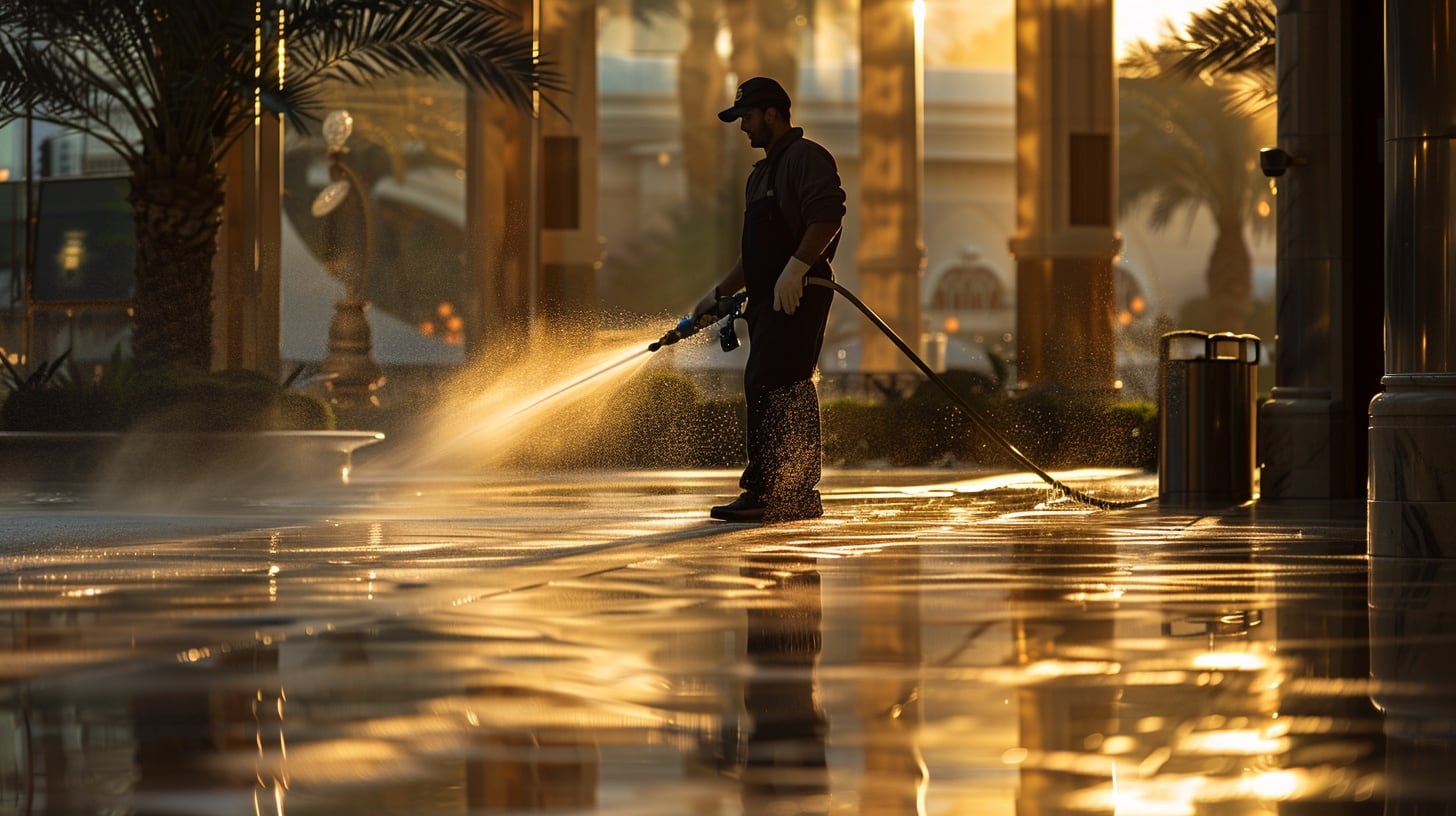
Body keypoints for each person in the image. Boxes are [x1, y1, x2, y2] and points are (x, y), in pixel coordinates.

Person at [695, 76, 846, 523]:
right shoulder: (760, 174)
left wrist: (797, 268)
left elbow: (828, 216)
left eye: (747, 117)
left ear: (773, 114)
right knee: (765, 385)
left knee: (782, 383)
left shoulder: (805, 158)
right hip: (767, 297)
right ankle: (784, 490)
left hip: (800, 291)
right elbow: (753, 252)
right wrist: (720, 294)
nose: (743, 127)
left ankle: (784, 491)